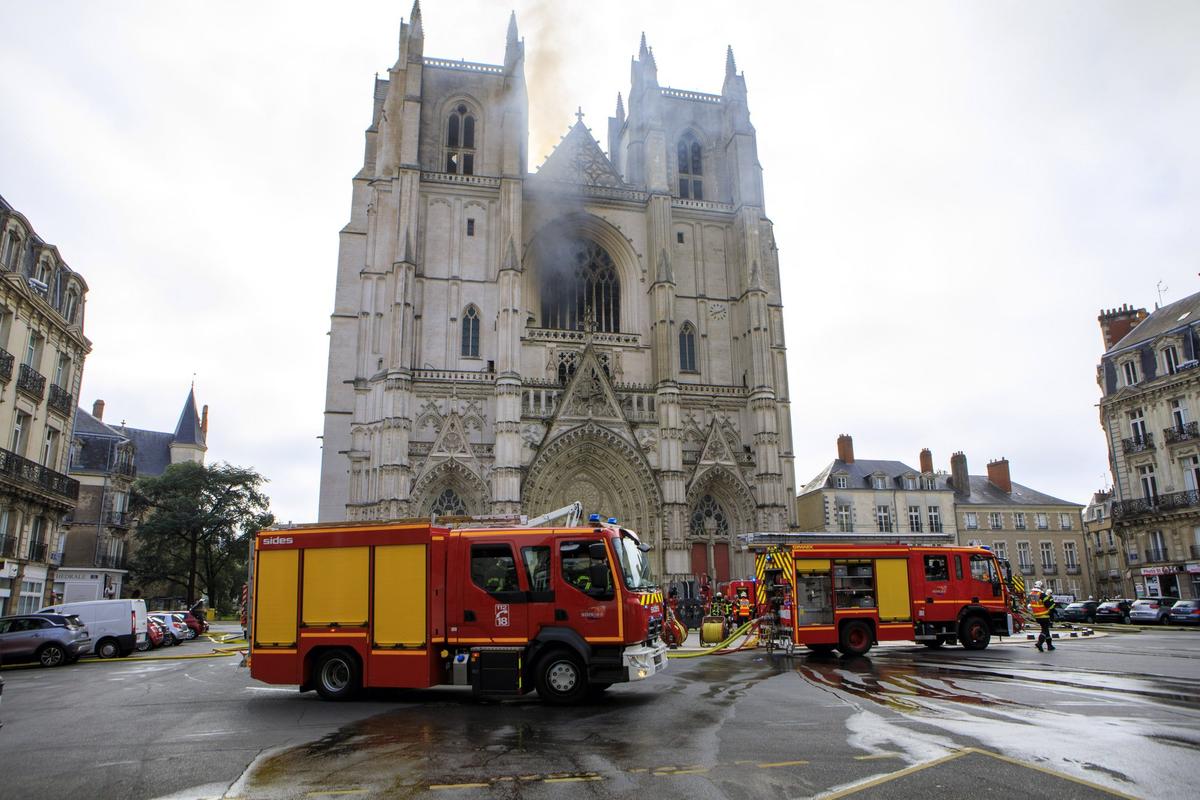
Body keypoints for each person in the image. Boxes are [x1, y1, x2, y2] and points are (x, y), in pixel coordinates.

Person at [1029, 580, 1056, 651]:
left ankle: (1049, 646)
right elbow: (1048, 605)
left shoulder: (1032, 594)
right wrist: (1052, 610)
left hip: (1037, 616)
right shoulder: (1041, 594)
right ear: (1041, 587)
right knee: (1044, 630)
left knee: (1046, 630)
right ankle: (1039, 643)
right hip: (1044, 615)